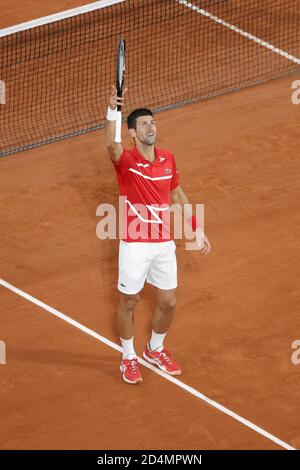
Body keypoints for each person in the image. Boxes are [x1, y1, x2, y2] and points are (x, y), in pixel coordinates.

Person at [105, 86, 211, 384]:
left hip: (164, 245)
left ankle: (155, 349)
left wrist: (196, 227)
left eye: (152, 122)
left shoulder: (168, 159)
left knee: (169, 302)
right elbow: (110, 146)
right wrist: (112, 111)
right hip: (135, 245)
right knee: (129, 301)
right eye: (144, 124)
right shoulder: (125, 162)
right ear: (133, 134)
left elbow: (177, 194)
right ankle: (128, 356)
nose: (151, 127)